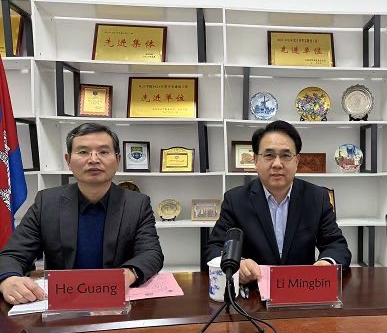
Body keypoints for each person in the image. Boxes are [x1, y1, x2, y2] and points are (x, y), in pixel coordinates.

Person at [0, 123, 164, 304]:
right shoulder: (46, 202)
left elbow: (151, 253)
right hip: (63, 303)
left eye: (103, 152)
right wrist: (9, 279)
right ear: (68, 160)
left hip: (118, 301)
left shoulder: (137, 204)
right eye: (83, 152)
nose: (94, 159)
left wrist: (128, 273)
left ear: (117, 159)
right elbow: (12, 254)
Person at [204, 120, 351, 284]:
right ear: (255, 160)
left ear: (297, 161)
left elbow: (336, 246)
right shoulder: (235, 200)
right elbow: (214, 249)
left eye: (286, 156)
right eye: (269, 155)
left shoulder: (317, 197)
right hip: (254, 290)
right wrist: (237, 263)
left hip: (301, 287)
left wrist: (327, 263)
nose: (277, 164)